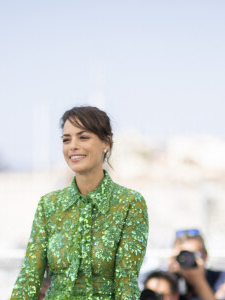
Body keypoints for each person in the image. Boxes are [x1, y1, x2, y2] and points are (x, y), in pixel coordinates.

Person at [10, 106, 149, 299]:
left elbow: (127, 285)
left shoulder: (130, 203)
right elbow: (29, 278)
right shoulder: (49, 205)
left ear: (106, 143)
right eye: (66, 140)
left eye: (83, 137)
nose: (73, 146)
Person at [168, 229, 225, 300]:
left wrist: (199, 282)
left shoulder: (220, 279)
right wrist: (169, 278)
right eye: (183, 256)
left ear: (205, 255)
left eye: (194, 254)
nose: (189, 259)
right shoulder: (166, 279)